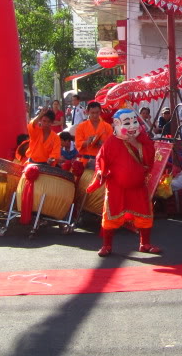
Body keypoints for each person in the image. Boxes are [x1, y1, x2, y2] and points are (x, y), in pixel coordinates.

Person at [86, 108, 162, 257]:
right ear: (116, 124)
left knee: (144, 215)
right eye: (127, 122)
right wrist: (101, 172)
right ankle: (107, 245)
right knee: (110, 216)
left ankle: (144, 243)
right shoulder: (111, 142)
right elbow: (101, 160)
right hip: (116, 187)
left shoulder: (143, 138)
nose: (132, 126)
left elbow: (150, 155)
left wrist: (136, 143)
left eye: (135, 121)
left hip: (137, 186)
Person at [75, 101, 113, 165]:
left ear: (100, 111)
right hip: (86, 161)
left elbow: (112, 145)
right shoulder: (81, 126)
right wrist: (87, 142)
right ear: (87, 112)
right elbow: (77, 143)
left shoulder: (108, 127)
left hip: (102, 160)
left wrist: (103, 144)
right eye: (92, 113)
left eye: (97, 112)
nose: (95, 115)